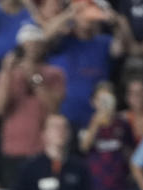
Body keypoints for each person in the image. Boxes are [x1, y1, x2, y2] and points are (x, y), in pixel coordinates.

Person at [0, 22, 65, 190]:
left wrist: (34, 77)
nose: (31, 49)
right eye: (27, 44)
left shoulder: (54, 73)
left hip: (42, 150)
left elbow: (54, 107)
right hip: (13, 148)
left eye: (35, 44)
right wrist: (6, 72)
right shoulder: (7, 75)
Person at [43, 1, 127, 129]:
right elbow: (45, 36)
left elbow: (120, 48)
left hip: (97, 117)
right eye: (84, 14)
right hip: (64, 115)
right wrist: (69, 13)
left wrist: (115, 23)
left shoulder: (104, 42)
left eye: (91, 15)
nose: (87, 18)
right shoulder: (63, 41)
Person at [79, 81, 135, 190]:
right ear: (93, 102)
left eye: (108, 99)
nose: (105, 104)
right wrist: (95, 124)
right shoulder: (87, 123)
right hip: (95, 181)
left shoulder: (123, 124)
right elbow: (84, 147)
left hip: (119, 180)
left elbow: (130, 151)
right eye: (101, 99)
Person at [16, 113, 89, 190]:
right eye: (55, 127)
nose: (61, 131)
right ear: (44, 134)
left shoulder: (80, 168)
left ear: (70, 134)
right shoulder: (30, 168)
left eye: (65, 127)